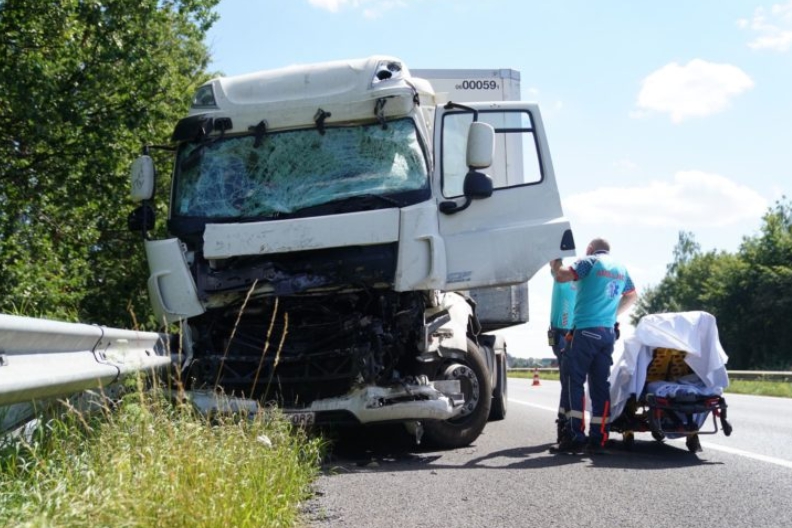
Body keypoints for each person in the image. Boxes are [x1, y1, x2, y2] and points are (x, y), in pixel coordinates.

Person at [550, 238, 637, 454]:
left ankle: (575, 435)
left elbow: (562, 276)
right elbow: (632, 295)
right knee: (600, 385)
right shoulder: (620, 268)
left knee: (574, 381)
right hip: (607, 332)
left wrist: (554, 260)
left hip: (585, 331)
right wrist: (611, 314)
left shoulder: (589, 261)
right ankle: (599, 438)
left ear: (590, 249)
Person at [548, 263, 576, 444]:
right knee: (568, 382)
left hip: (572, 333)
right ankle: (565, 427)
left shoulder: (578, 282)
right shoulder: (560, 279)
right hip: (562, 334)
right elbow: (556, 263)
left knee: (570, 381)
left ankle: (567, 424)